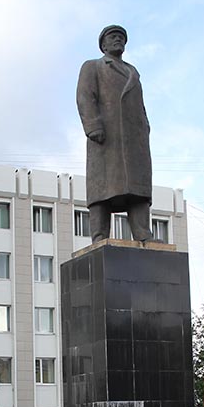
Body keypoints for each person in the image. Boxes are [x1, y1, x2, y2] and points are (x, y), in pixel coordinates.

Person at [76, 24, 153, 243]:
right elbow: (84, 96)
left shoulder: (133, 72)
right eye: (113, 36)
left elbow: (140, 106)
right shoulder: (93, 67)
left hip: (134, 140)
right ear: (103, 45)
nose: (118, 40)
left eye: (121, 37)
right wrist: (92, 125)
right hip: (106, 138)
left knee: (138, 187)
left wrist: (145, 127)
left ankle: (142, 233)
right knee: (103, 188)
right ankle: (99, 236)